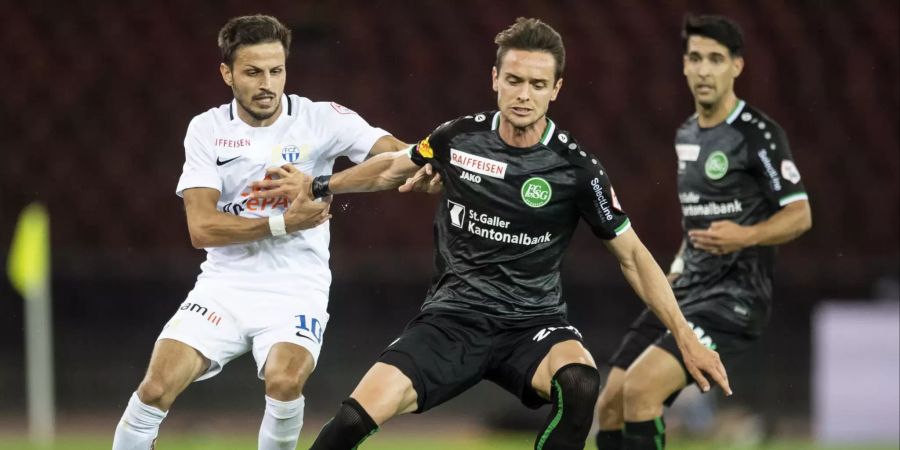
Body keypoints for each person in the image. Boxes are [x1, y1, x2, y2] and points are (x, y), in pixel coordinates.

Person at [257, 17, 730, 450]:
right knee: (351, 422)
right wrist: (319, 184)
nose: (524, 94)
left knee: (581, 381)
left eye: (538, 84)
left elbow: (632, 255)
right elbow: (391, 169)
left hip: (531, 325)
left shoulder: (577, 170)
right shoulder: (456, 138)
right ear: (495, 80)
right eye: (515, 80)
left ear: (556, 90)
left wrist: (685, 337)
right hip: (452, 321)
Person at [111, 14, 409, 450]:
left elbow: (399, 156)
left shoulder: (321, 119)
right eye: (253, 72)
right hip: (224, 285)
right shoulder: (207, 129)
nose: (267, 83)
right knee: (155, 388)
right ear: (227, 74)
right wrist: (282, 222)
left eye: (276, 70)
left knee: (285, 381)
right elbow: (201, 228)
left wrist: (334, 181)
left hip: (295, 285)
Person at [594, 14, 812, 450]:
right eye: (696, 57)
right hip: (688, 289)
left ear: (737, 66)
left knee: (640, 393)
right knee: (609, 407)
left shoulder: (758, 136)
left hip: (734, 297)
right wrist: (677, 266)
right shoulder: (686, 134)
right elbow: (696, 220)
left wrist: (744, 237)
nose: (704, 69)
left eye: (716, 58)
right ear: (684, 66)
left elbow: (800, 214)